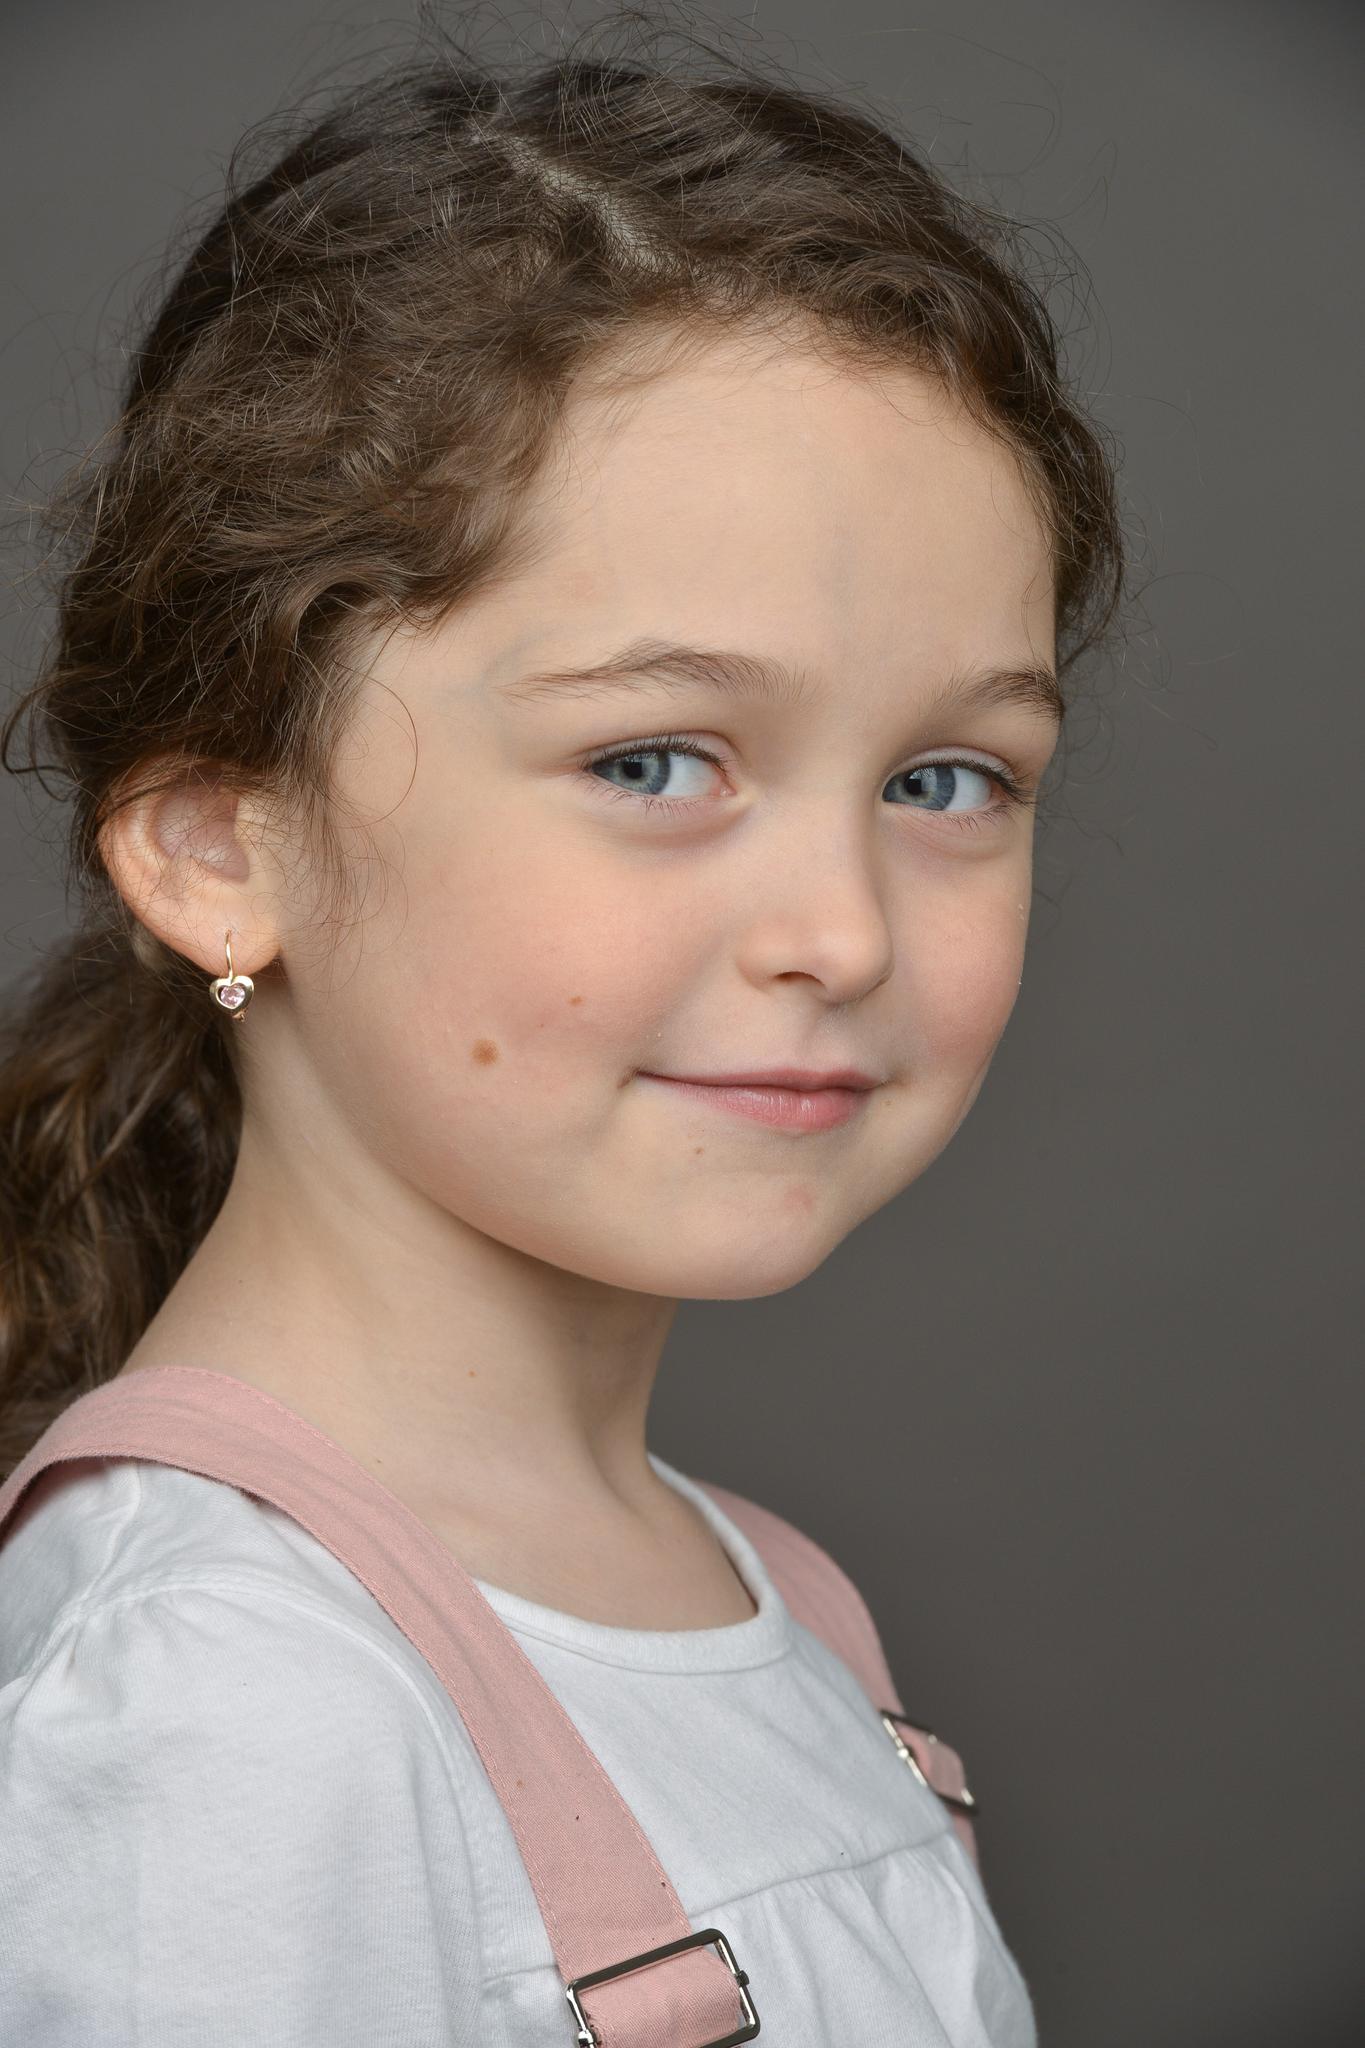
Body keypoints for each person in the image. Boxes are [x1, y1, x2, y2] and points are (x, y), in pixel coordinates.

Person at [0, 26, 1124, 2048]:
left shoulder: (768, 1597)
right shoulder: (227, 1693)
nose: (838, 930)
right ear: (221, 848)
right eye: (652, 759)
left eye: (945, 779)